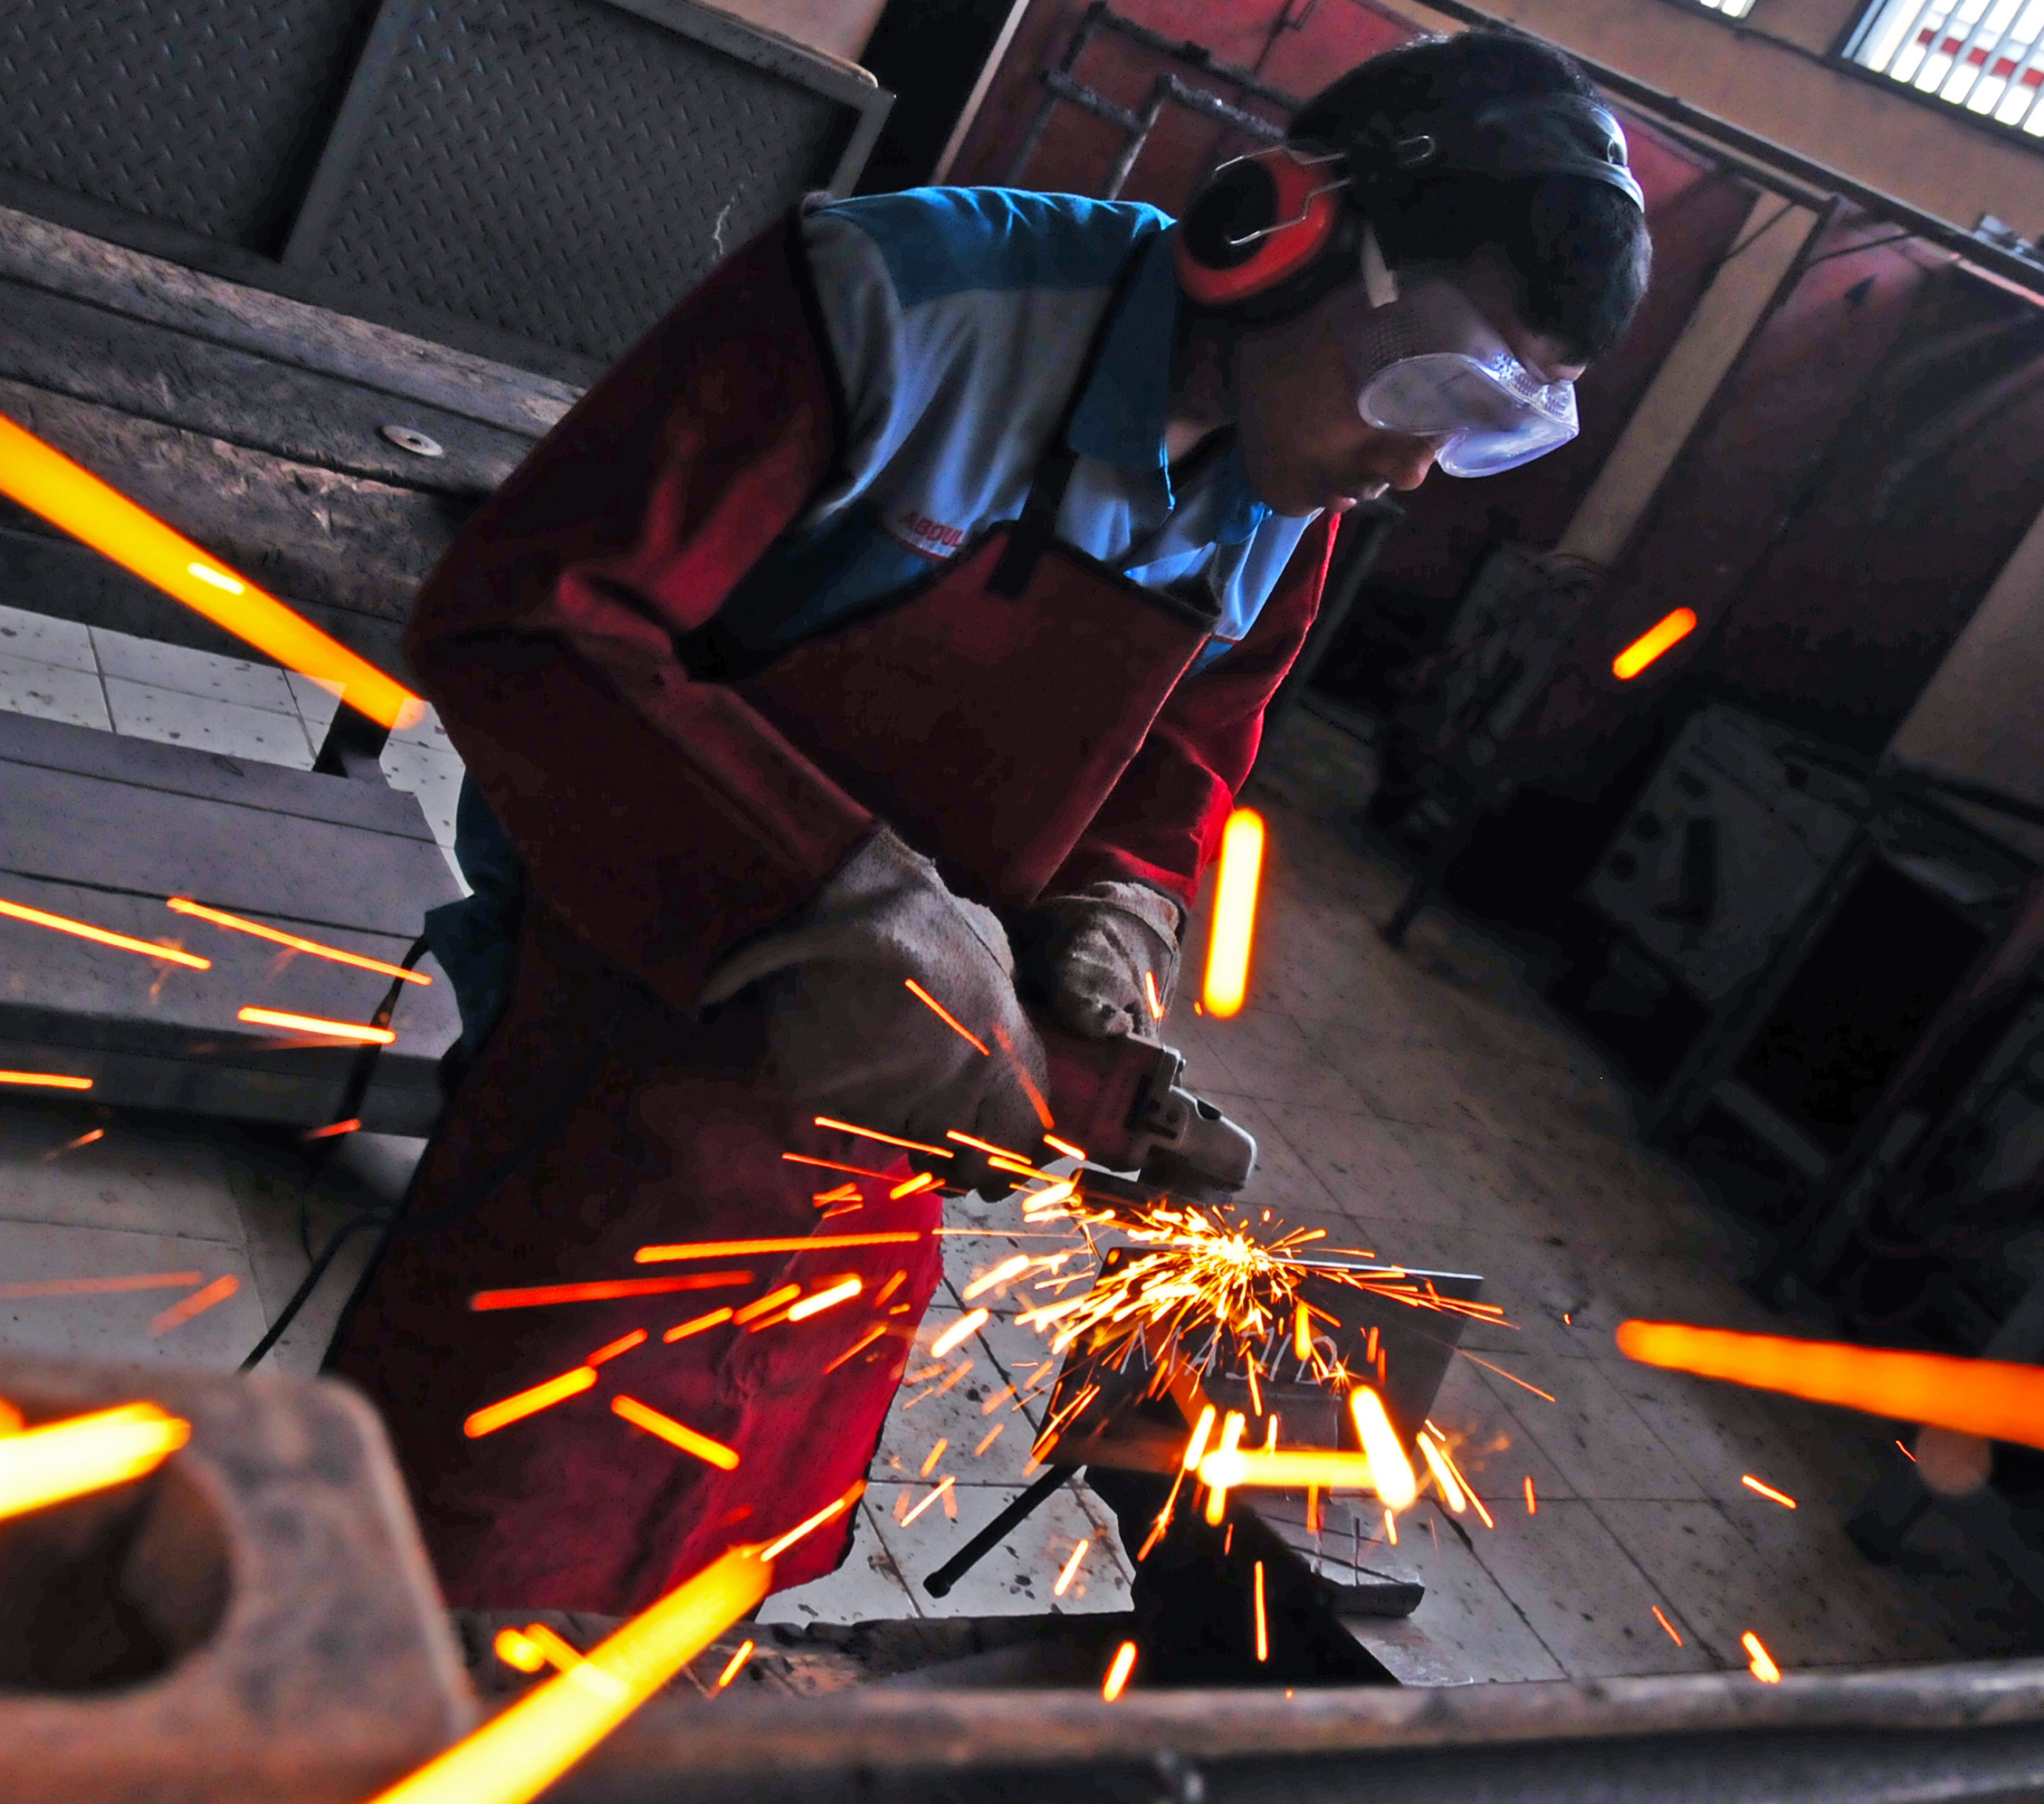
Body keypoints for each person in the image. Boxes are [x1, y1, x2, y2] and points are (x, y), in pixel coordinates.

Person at [328, 31, 1652, 1612]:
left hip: (895, 1113)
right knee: (473, 1509)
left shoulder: (1292, 505)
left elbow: (1182, 758)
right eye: (1429, 388)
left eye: (1491, 430)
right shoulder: (895, 306)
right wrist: (830, 894)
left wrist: (1113, 916)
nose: (1420, 463)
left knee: (715, 1533)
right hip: (629, 998)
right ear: (1281, 237)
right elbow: (525, 617)